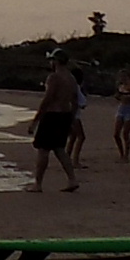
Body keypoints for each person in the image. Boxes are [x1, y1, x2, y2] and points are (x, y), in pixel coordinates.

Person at [30, 55, 81, 193]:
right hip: (65, 114)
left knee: (43, 149)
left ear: (56, 61)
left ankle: (38, 184)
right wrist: (71, 118)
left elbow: (48, 98)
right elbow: (75, 100)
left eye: (52, 60)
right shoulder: (71, 78)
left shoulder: (54, 77)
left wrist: (36, 119)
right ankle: (72, 179)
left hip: (52, 115)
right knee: (59, 149)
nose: (50, 62)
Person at [113, 69, 130, 161]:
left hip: (129, 109)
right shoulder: (120, 86)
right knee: (116, 134)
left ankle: (126, 154)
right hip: (122, 108)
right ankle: (121, 153)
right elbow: (117, 96)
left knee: (125, 133)